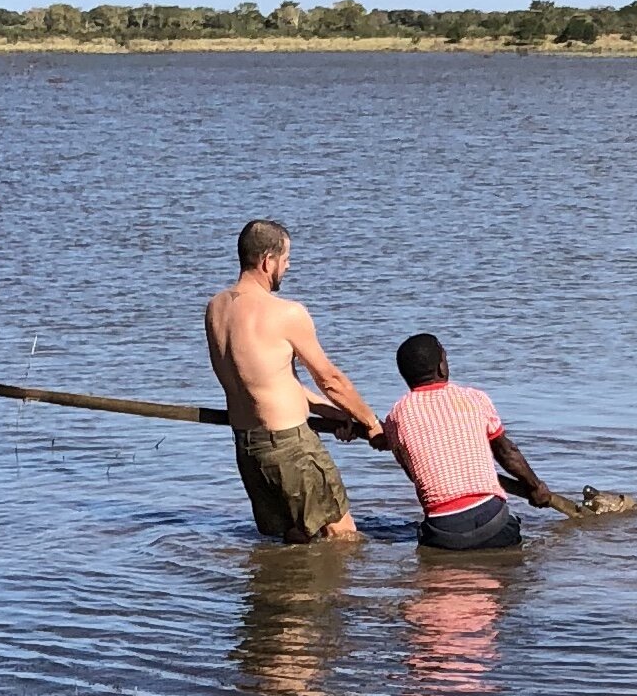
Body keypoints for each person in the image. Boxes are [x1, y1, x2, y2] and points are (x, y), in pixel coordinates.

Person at [202, 221, 381, 545]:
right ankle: (333, 597)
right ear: (267, 261)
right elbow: (330, 379)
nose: (288, 266)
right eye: (286, 259)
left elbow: (262, 380)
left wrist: (334, 413)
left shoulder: (216, 309)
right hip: (290, 447)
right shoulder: (286, 313)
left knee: (296, 540)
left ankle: (284, 594)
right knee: (342, 538)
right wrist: (369, 422)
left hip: (249, 446)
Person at [373, 333, 575, 552]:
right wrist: (536, 487)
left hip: (442, 534)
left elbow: (415, 475)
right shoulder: (473, 399)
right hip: (494, 525)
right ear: (442, 367)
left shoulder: (396, 417)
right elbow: (507, 453)